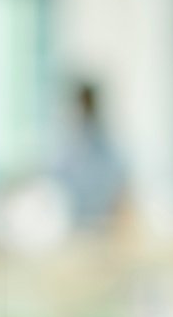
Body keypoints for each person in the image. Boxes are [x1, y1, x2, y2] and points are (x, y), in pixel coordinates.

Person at [53, 81, 130, 232]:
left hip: (101, 225)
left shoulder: (103, 148)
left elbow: (120, 188)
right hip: (78, 225)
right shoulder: (71, 147)